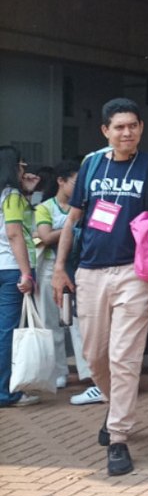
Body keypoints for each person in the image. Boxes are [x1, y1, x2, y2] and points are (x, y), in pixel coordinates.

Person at [51, 98, 148, 476]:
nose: (127, 132)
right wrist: (60, 268)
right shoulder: (92, 164)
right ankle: (115, 410)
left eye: (133, 125)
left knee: (124, 356)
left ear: (141, 127)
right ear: (106, 131)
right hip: (91, 272)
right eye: (119, 127)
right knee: (94, 355)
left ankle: (119, 437)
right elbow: (72, 220)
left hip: (136, 271)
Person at [34, 159, 93, 391]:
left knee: (80, 322)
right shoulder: (45, 207)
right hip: (50, 270)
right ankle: (59, 371)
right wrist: (73, 227)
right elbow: (45, 237)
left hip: (80, 268)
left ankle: (88, 371)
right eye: (76, 182)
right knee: (52, 324)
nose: (81, 188)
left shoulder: (85, 206)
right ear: (61, 181)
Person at [0, 146, 41, 407]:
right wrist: (26, 273)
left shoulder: (12, 194)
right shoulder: (10, 195)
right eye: (21, 164)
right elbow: (15, 233)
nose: (24, 169)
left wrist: (27, 191)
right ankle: (5, 393)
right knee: (8, 333)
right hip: (12, 267)